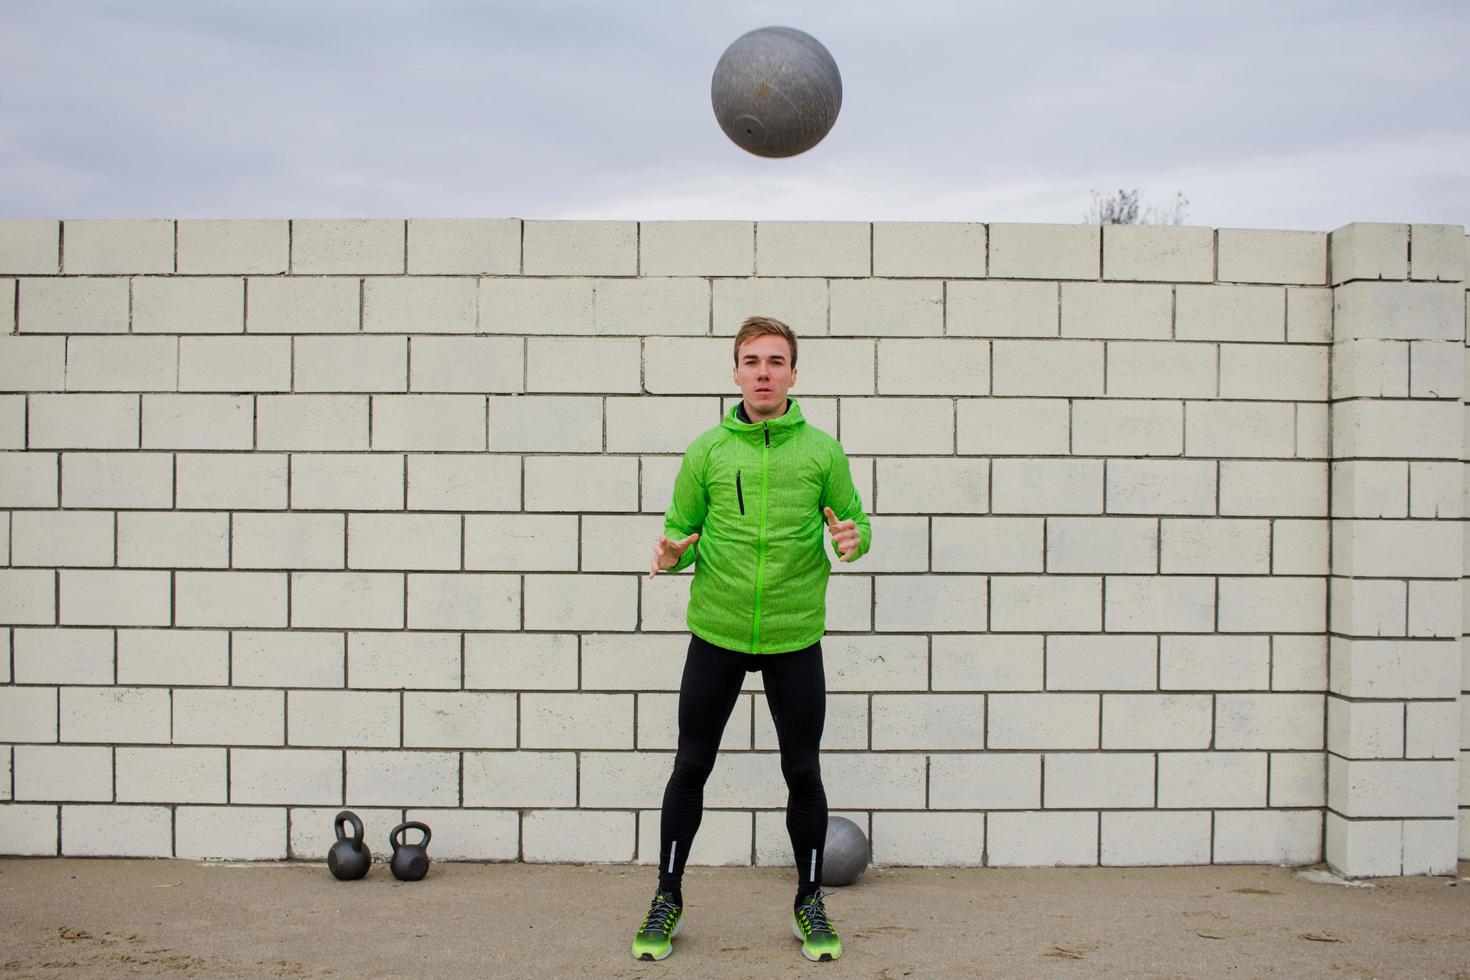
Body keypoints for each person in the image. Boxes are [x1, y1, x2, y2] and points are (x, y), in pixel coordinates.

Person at [631, 316, 872, 963]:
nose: (763, 372)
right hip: (718, 631)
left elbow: (855, 523)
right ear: (736, 373)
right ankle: (667, 895)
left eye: (775, 361)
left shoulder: (822, 451)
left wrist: (854, 540)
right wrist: (671, 554)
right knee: (691, 766)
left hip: (795, 635)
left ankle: (809, 900)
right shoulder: (706, 451)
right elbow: (680, 532)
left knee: (803, 771)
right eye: (751, 361)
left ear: (793, 374)